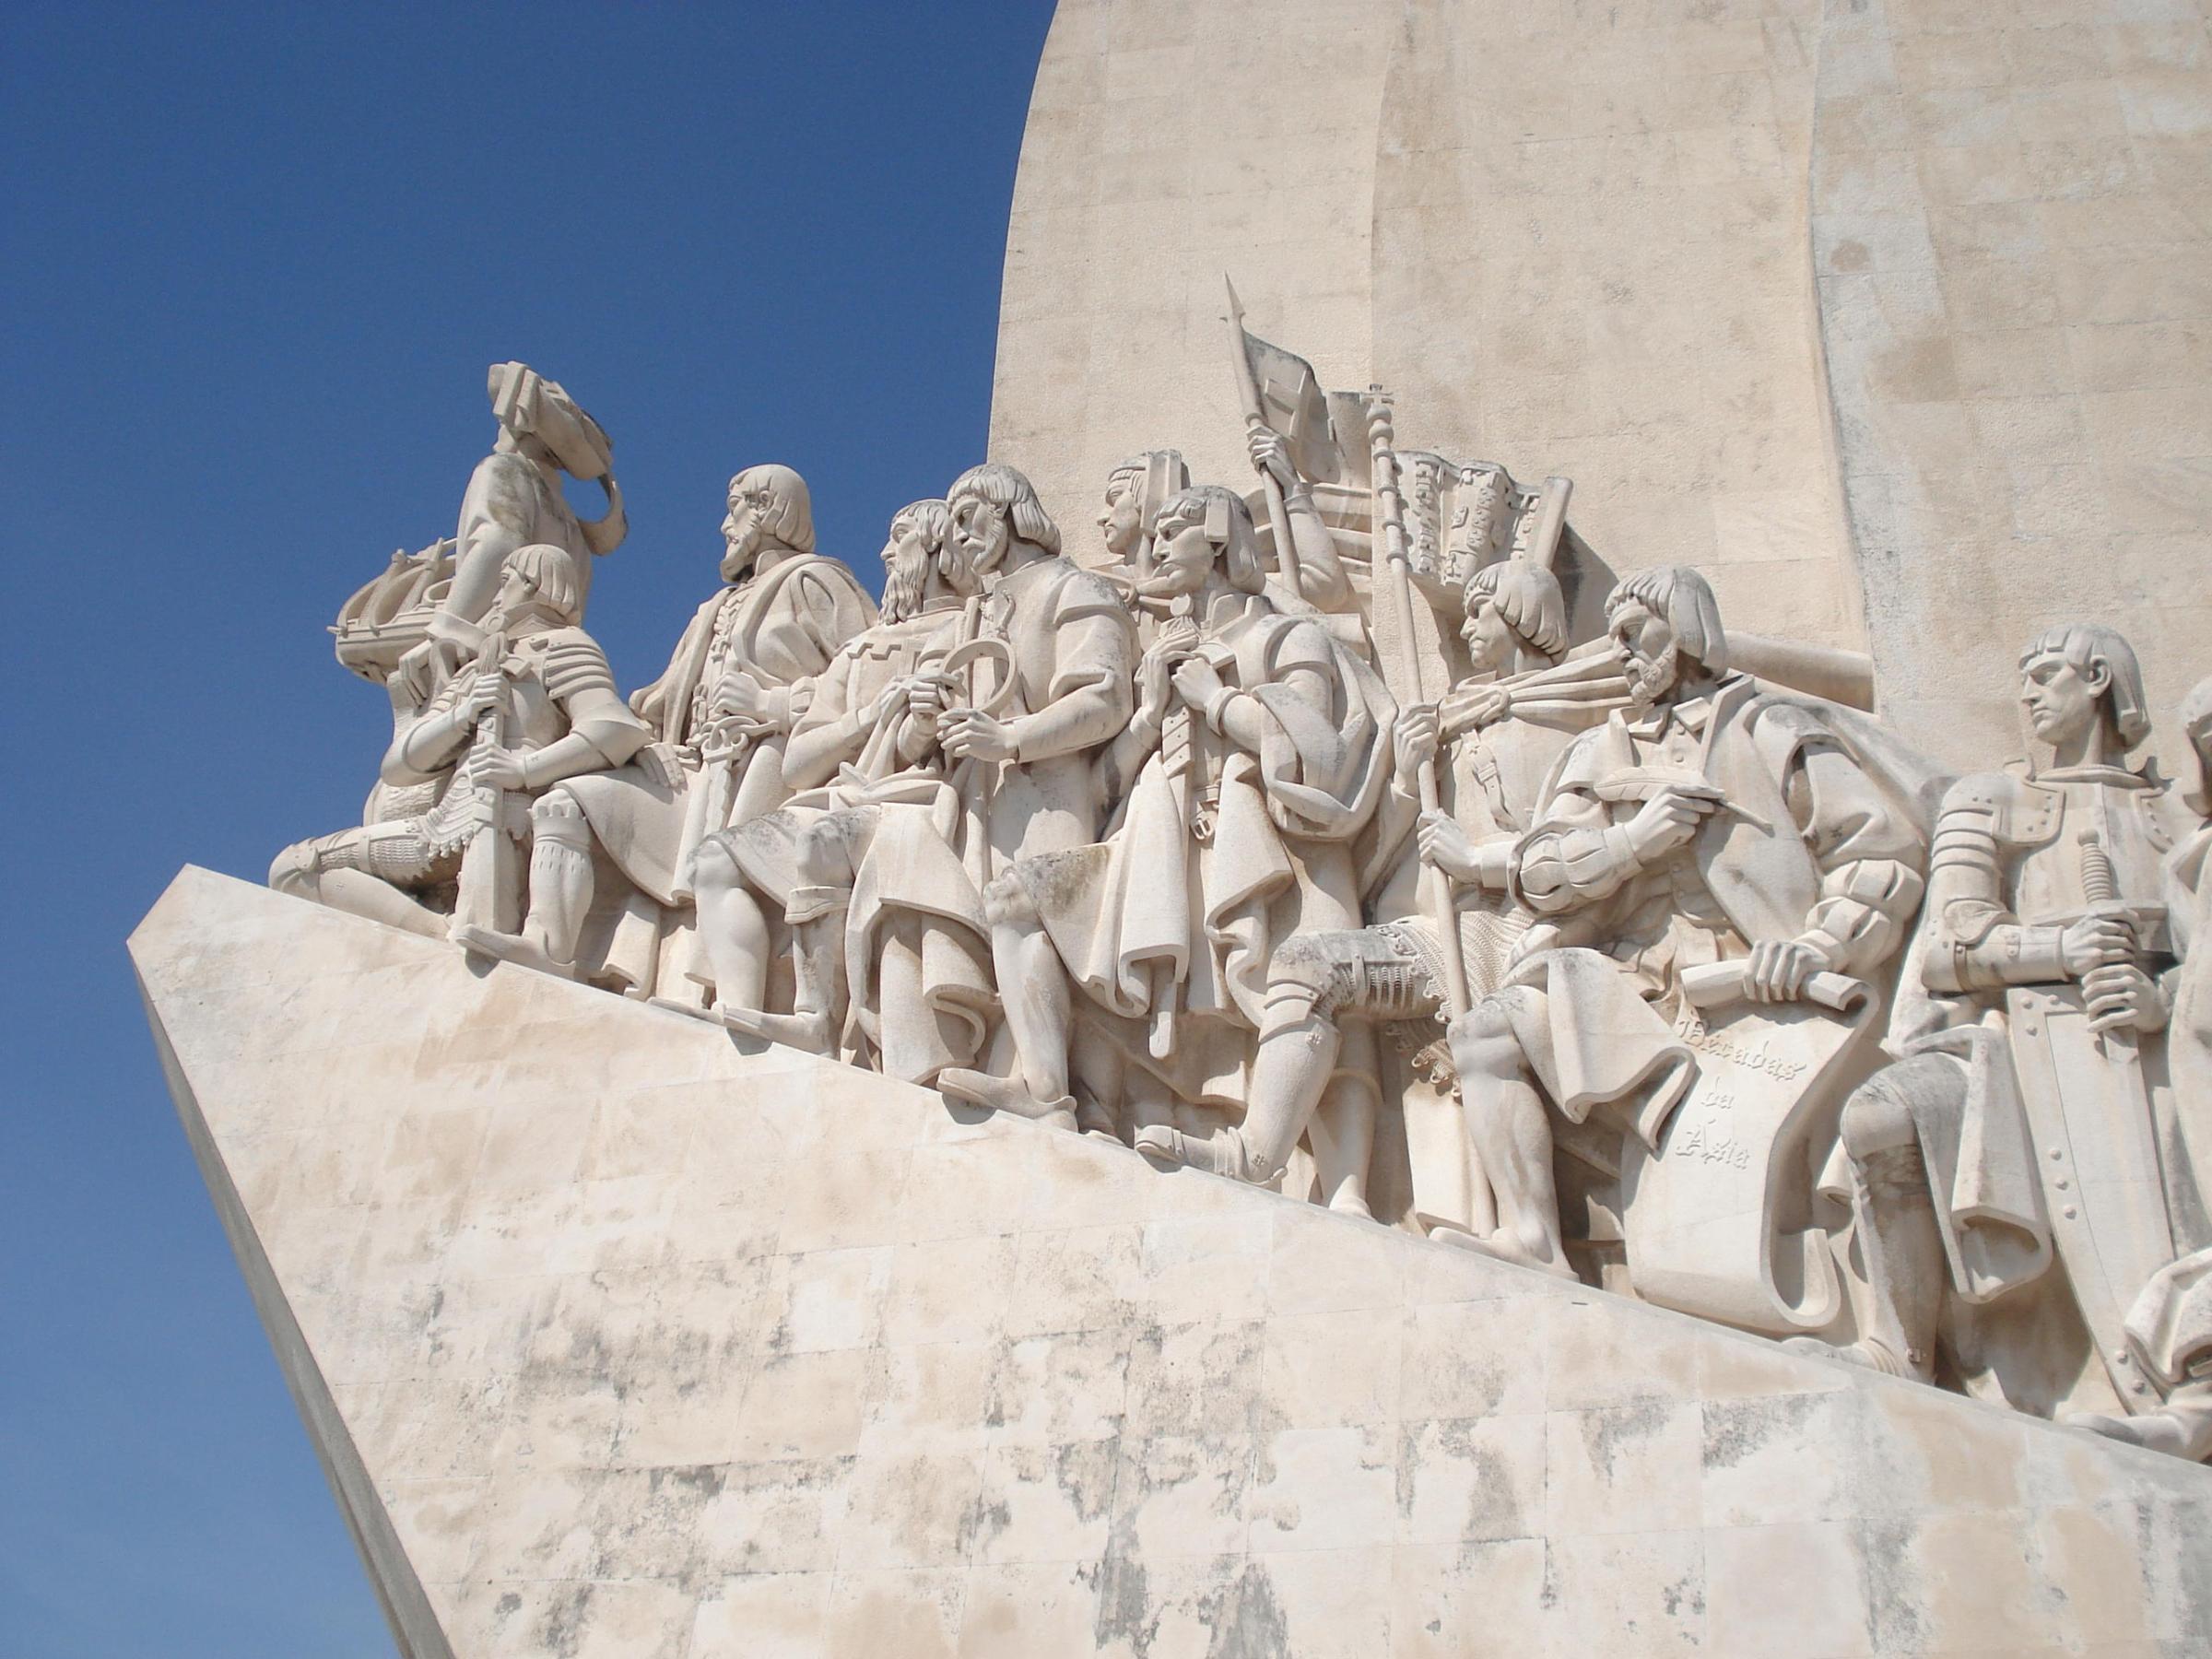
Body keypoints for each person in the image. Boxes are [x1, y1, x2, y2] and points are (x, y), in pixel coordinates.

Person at [1794, 629, 2210, 1459]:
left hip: (2157, 1043)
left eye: (2046, 675)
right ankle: (1902, 1347)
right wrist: (2060, 951)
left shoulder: (2172, 815)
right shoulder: (1987, 800)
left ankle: (2187, 1387)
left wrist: (2158, 995)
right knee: (1878, 1117)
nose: (2027, 695)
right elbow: (1948, 947)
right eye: (2021, 679)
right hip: (2009, 1047)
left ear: (2097, 680)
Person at [1447, 565, 1925, 1276]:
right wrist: (1631, 843)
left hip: (1756, 981)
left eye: (1635, 634)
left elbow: (1878, 853)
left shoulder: (1768, 729)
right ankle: (1533, 1237)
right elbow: (1537, 874)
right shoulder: (1601, 749)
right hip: (1632, 988)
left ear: (1688, 631)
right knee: (1486, 1029)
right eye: (1611, 639)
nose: (1622, 653)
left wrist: (1820, 944)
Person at [943, 486, 1390, 1152]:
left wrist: (1215, 701)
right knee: (1015, 901)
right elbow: (1107, 786)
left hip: (1264, 844)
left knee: (1302, 992)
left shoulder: (1286, 635)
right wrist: (1149, 712)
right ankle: (1047, 1092)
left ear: (1216, 542)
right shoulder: (1165, 650)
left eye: (1173, 532)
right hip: (1161, 846)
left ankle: (1328, 1180)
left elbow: (1313, 750)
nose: (1152, 547)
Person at [1135, 560, 1577, 1224]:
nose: (1468, 628)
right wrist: (1403, 774)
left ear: (1524, 619)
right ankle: (1257, 1155)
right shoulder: (1455, 721)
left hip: (1513, 930)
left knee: (1313, 964)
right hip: (1435, 933)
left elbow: (1575, 849)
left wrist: (1480, 860)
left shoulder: (1569, 726)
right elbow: (1392, 846)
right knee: (1308, 964)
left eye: (1482, 613)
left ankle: (1259, 1157)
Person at [456, 465, 873, 987]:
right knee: (564, 804)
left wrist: (776, 702)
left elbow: (868, 678)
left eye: (736, 507)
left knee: (723, 870)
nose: (726, 524)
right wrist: (647, 742)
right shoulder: (714, 608)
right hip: (691, 771)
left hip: (768, 771)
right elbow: (657, 699)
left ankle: (733, 992)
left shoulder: (817, 581)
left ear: (768, 509)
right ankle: (545, 948)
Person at [685, 499, 981, 1071]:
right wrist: (871, 716)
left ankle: (816, 1019)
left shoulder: (970, 628)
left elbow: (940, 741)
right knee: (716, 858)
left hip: (913, 800)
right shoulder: (860, 648)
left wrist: (920, 722)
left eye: (900, 539)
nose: (885, 553)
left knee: (822, 839)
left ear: (936, 551)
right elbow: (799, 764)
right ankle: (736, 1009)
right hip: (842, 792)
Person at [272, 543, 647, 936]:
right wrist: (461, 717)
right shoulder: (477, 667)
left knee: (299, 868)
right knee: (296, 867)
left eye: (506, 582)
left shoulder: (563, 645)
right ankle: (437, 933)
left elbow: (613, 728)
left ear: (536, 584)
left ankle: (455, 937)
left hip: (509, 814)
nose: (497, 596)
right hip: (443, 822)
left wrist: (522, 770)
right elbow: (399, 766)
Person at [401, 362, 625, 699]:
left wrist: (447, 631)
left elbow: (497, 543)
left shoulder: (506, 472)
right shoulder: (571, 527)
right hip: (551, 667)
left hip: (490, 661)